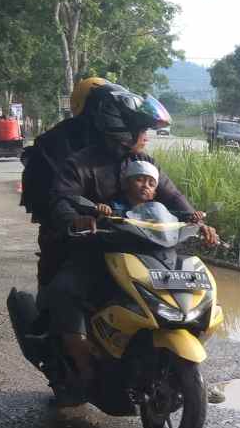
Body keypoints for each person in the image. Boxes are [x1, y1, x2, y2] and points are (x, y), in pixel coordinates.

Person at [41, 90, 218, 402]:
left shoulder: (144, 165)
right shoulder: (80, 164)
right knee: (65, 291)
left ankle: (188, 371)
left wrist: (197, 222)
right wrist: (75, 219)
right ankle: (83, 367)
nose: (147, 137)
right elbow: (62, 198)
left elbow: (174, 198)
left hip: (147, 248)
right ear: (121, 131)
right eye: (142, 130)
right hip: (96, 250)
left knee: (186, 295)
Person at [20, 77, 109, 289]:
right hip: (66, 228)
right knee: (58, 288)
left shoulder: (113, 139)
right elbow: (48, 194)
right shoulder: (57, 141)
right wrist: (67, 217)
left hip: (111, 225)